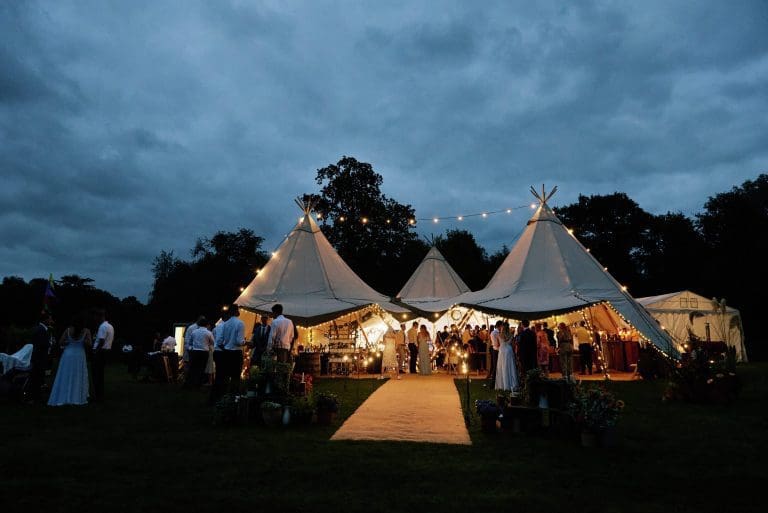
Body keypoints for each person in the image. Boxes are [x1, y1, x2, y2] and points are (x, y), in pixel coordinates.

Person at [48, 314, 91, 406]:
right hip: (79, 355)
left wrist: (69, 342)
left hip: (68, 354)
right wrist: (83, 341)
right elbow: (89, 344)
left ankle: (64, 394)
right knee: (77, 375)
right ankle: (76, 396)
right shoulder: (86, 331)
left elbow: (60, 342)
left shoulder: (68, 330)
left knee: (66, 374)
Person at [210, 305, 245, 403]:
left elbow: (220, 341)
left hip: (226, 353)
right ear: (237, 312)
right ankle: (233, 399)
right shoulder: (240, 323)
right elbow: (239, 341)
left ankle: (221, 398)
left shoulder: (224, 324)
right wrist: (245, 342)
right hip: (236, 353)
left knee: (223, 376)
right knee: (235, 377)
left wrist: (225, 348)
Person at [27, 312, 54, 402]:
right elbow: (41, 344)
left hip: (38, 357)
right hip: (39, 357)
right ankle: (35, 397)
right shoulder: (41, 330)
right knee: (37, 377)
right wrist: (49, 343)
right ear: (45, 319)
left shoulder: (40, 328)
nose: (51, 321)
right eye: (49, 319)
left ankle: (35, 396)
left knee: (37, 377)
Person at [91, 309, 114, 401]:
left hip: (100, 352)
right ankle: (100, 394)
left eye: (95, 317)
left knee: (96, 374)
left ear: (100, 317)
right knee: (100, 374)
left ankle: (98, 395)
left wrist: (96, 351)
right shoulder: (110, 326)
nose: (94, 319)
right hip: (106, 351)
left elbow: (101, 340)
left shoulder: (102, 327)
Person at [187, 318, 214, 387]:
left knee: (194, 368)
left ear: (199, 324)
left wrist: (191, 348)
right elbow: (213, 342)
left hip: (195, 352)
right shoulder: (209, 333)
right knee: (202, 368)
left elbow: (190, 342)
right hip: (204, 352)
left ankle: (191, 383)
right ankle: (199, 384)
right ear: (206, 325)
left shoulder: (194, 332)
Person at [495, 322, 519, 391]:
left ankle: (503, 384)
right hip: (509, 350)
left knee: (502, 367)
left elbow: (497, 344)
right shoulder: (511, 335)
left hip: (502, 350)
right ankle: (511, 384)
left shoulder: (499, 335)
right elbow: (513, 344)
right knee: (510, 366)